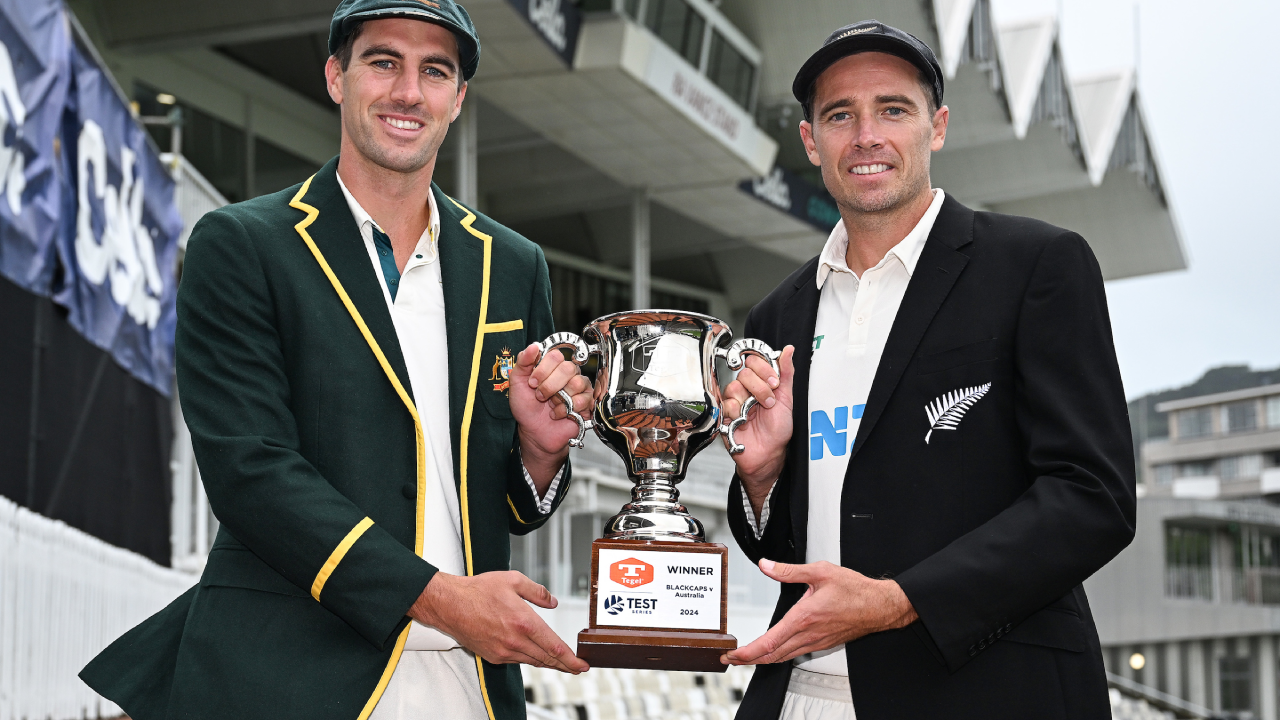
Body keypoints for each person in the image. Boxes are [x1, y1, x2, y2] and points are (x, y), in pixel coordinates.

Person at [80, 1, 592, 718]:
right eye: (384, 61)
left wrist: (538, 454)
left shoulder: (513, 264)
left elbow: (503, 501)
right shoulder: (242, 244)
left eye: (434, 70)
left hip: (468, 684)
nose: (408, 90)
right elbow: (249, 470)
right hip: (287, 677)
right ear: (335, 77)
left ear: (458, 98)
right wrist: (440, 599)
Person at [719, 20, 1136, 720]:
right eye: (840, 115)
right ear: (810, 141)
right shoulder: (775, 317)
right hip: (804, 695)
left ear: (936, 127)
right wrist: (759, 479)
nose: (866, 135)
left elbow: (1092, 495)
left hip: (984, 690)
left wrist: (899, 601)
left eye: (893, 109)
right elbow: (780, 542)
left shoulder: (1036, 266)